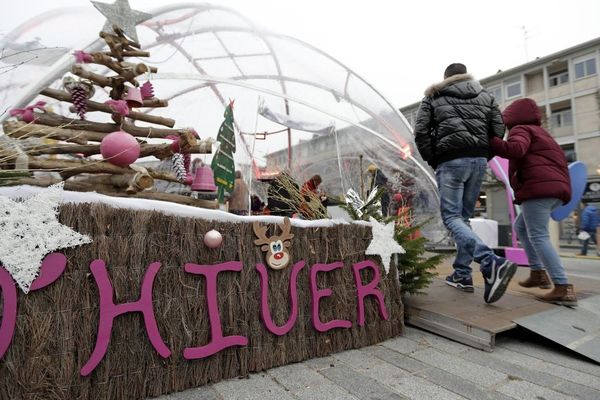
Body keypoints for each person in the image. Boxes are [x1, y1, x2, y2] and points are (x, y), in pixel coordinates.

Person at [414, 62, 516, 304]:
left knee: (451, 218)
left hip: (451, 161)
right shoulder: (485, 96)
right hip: (478, 160)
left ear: (446, 78)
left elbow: (421, 131)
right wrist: (483, 154)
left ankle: (490, 262)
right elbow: (498, 128)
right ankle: (462, 274)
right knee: (464, 219)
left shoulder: (433, 96)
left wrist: (434, 158)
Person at [491, 98, 576, 306]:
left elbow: (516, 150)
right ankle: (538, 273)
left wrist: (489, 139)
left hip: (538, 189)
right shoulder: (543, 134)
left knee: (538, 235)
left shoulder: (521, 129)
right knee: (520, 227)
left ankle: (562, 286)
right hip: (556, 190)